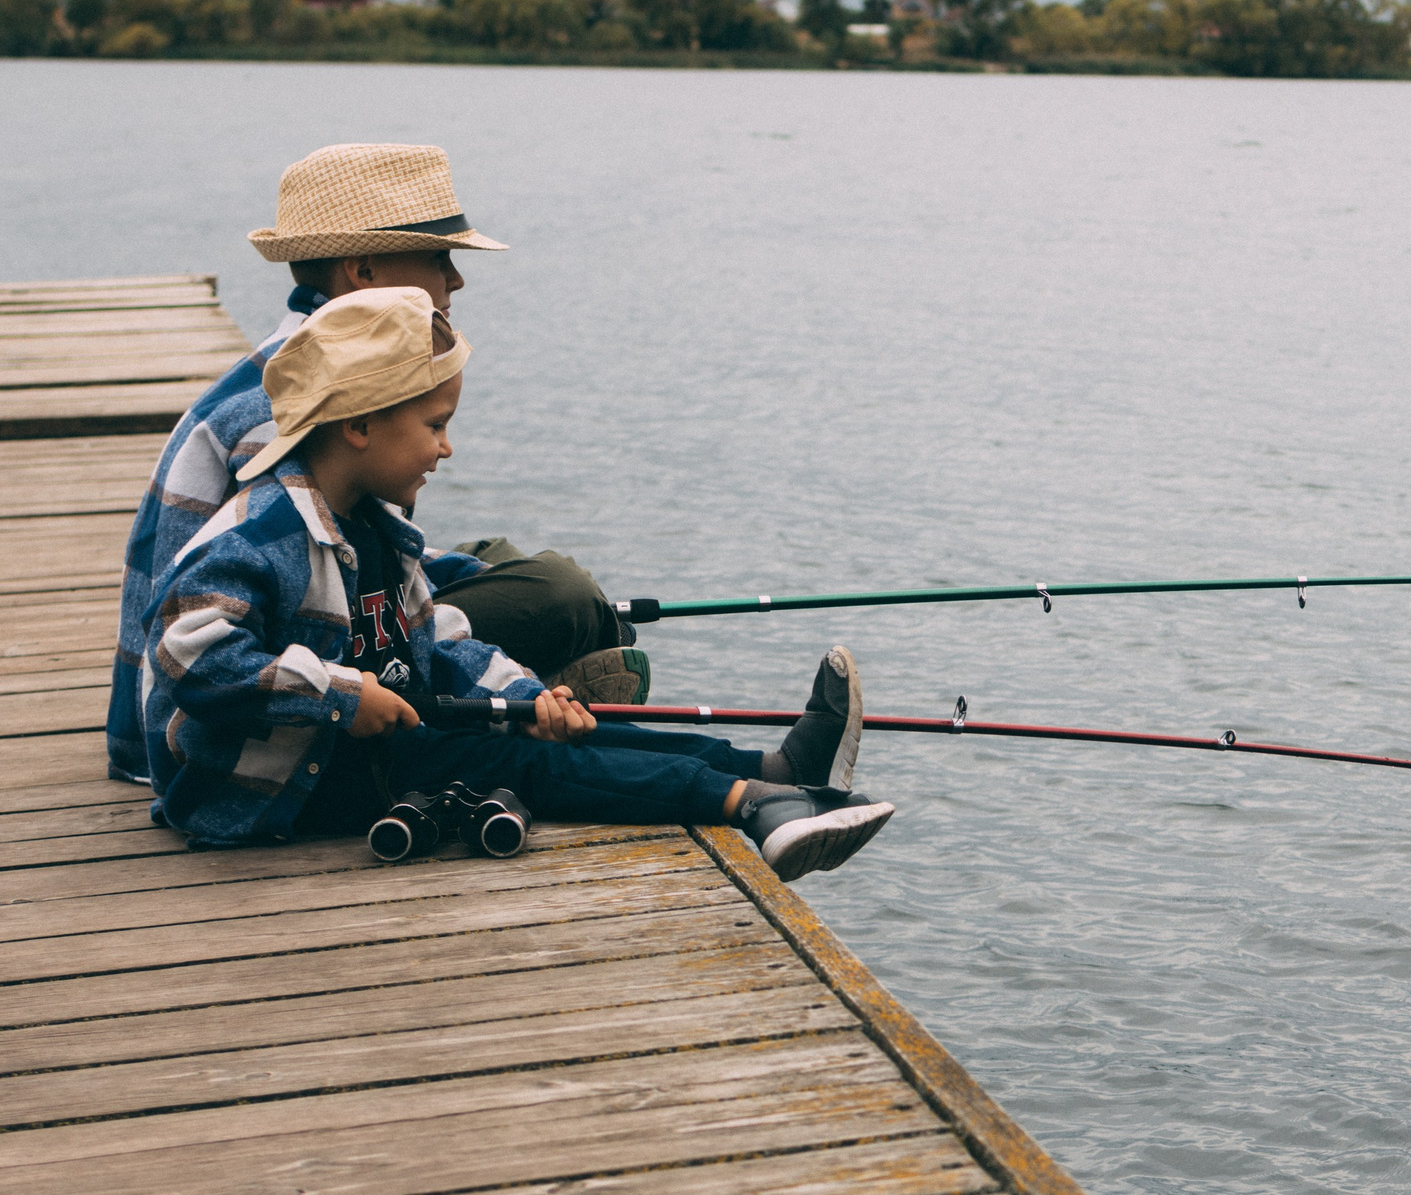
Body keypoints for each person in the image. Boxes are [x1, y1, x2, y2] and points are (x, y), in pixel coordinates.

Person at [140, 287, 890, 882]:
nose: (446, 446)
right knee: (520, 763)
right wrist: (338, 693)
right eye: (435, 423)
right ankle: (754, 809)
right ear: (361, 424)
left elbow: (436, 643)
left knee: (577, 729)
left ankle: (772, 769)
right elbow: (191, 655)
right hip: (269, 786)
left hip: (371, 750)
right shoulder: (259, 532)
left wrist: (526, 695)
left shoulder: (372, 526)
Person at [106, 141, 646, 784]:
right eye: (440, 257)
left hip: (316, 598)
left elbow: (359, 550)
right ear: (363, 271)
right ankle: (547, 679)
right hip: (201, 719)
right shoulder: (284, 411)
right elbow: (275, 599)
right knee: (563, 594)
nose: (456, 279)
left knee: (504, 560)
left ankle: (550, 667)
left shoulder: (308, 362)